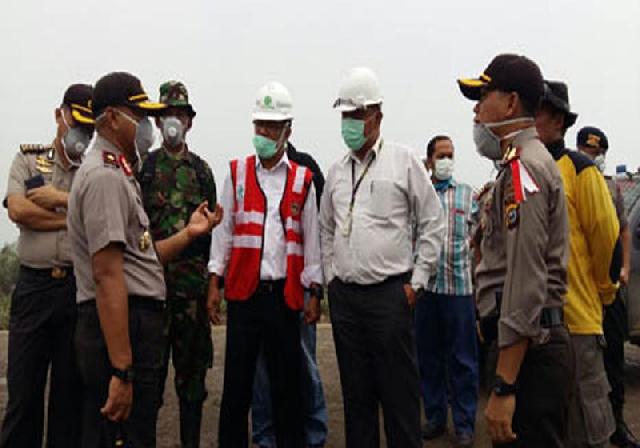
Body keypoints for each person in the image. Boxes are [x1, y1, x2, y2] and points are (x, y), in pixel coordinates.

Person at [67, 72, 222, 448]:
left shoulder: (123, 171)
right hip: (122, 324)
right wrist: (121, 369)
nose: (149, 126)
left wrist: (189, 233)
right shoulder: (107, 176)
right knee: (121, 432)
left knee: (142, 427)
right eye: (140, 114)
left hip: (151, 310)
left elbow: (142, 256)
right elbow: (107, 276)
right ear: (113, 118)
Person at [319, 67, 445, 448]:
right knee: (357, 399)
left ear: (377, 116)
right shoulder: (336, 172)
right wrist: (331, 279)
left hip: (391, 296)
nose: (350, 124)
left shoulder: (403, 161)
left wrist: (417, 283)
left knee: (399, 398)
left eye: (357, 115)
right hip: (346, 300)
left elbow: (432, 222)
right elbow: (326, 228)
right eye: (345, 116)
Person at [458, 54, 572, 447]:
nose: (475, 110)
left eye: (482, 97)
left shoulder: (525, 170)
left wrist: (505, 386)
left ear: (510, 103)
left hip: (530, 357)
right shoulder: (515, 166)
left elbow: (525, 282)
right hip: (524, 348)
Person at [208, 80, 323, 448]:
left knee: (287, 387)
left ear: (288, 130)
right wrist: (215, 280)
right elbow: (223, 231)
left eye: (272, 126)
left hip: (284, 298)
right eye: (260, 125)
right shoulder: (237, 173)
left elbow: (312, 239)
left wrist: (314, 291)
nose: (265, 133)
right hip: (243, 296)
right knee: (236, 388)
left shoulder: (303, 180)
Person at [1, 83, 94, 447]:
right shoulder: (28, 159)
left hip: (76, 292)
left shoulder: (93, 170)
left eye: (88, 127)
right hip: (34, 289)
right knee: (24, 394)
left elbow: (99, 213)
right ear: (59, 115)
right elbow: (19, 210)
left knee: (68, 399)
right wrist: (74, 215)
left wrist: (60, 204)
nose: (79, 133)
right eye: (75, 121)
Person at [536, 80, 620, 448]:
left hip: (577, 323)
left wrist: (602, 293)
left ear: (557, 120)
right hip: (533, 327)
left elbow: (607, 240)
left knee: (585, 428)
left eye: (535, 112)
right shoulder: (522, 170)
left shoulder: (580, 170)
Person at [137, 80, 217, 448]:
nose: (173, 121)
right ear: (157, 122)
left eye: (179, 114)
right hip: (151, 293)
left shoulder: (201, 172)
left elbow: (213, 234)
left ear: (189, 122)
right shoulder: (144, 170)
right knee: (147, 383)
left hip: (191, 295)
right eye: (166, 114)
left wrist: (214, 285)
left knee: (192, 384)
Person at [251, 137, 328, 448]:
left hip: (297, 288)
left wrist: (315, 292)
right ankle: (265, 434)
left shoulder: (306, 168)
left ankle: (314, 432)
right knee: (263, 369)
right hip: (261, 289)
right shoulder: (251, 172)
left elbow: (317, 234)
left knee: (305, 363)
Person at [576, 126, 638, 448]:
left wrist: (625, 267)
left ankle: (617, 426)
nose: (594, 159)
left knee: (614, 359)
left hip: (610, 287)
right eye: (589, 153)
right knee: (580, 363)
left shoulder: (612, 188)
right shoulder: (566, 181)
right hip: (580, 290)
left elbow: (624, 231)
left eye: (598, 154)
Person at [416, 135, 478, 447]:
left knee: (463, 360)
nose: (446, 160)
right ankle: (436, 416)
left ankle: (465, 423)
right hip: (426, 290)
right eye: (440, 155)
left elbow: (481, 238)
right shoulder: (419, 195)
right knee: (428, 358)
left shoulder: (468, 195)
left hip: (460, 290)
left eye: (450, 154)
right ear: (429, 160)